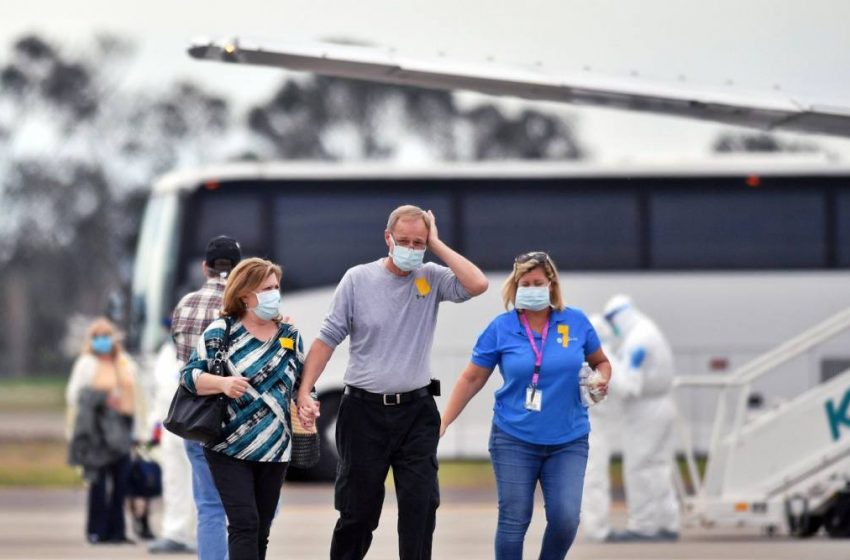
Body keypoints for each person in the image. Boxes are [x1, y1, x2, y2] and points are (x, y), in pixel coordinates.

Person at [297, 205, 488, 560]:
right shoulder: (357, 279)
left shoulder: (431, 276)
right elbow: (327, 339)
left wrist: (437, 244)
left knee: (420, 509)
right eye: (404, 241)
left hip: (416, 412)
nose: (411, 248)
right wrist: (305, 389)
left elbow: (478, 284)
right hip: (363, 413)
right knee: (358, 513)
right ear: (388, 239)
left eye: (418, 242)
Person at [440, 251, 612, 560]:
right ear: (515, 286)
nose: (532, 289)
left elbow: (601, 361)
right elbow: (471, 378)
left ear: (551, 284)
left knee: (566, 518)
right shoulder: (502, 328)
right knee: (514, 520)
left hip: (568, 439)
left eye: (538, 283)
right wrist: (444, 421)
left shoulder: (575, 321)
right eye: (525, 283)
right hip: (513, 438)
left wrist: (601, 379)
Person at [181, 257, 305, 560]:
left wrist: (308, 402)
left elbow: (302, 384)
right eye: (266, 289)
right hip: (228, 445)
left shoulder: (289, 336)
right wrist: (223, 384)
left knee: (261, 528)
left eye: (276, 287)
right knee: (244, 524)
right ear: (244, 294)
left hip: (275, 448)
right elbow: (189, 376)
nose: (274, 294)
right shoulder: (220, 331)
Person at [171, 234, 242, 560]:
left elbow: (181, 359)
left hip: (195, 414)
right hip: (238, 415)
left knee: (209, 505)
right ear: (240, 267)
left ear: (205, 268)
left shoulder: (185, 305)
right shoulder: (243, 306)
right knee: (245, 507)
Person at [603, 294, 679, 542]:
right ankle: (668, 523)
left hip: (646, 409)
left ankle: (643, 526)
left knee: (638, 467)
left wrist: (608, 363)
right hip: (662, 404)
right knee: (658, 466)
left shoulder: (638, 338)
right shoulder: (647, 330)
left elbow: (629, 387)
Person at [66, 317, 142, 545]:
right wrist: (103, 398)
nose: (102, 341)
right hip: (97, 432)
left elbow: (137, 395)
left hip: (122, 430)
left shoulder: (124, 363)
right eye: (97, 337)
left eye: (106, 336)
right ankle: (96, 530)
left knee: (120, 484)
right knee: (98, 485)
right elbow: (74, 396)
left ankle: (117, 531)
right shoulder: (86, 364)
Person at [147, 338, 197, 554]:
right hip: (170, 430)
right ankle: (174, 533)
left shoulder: (205, 345)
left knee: (199, 485)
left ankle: (197, 535)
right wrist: (154, 425)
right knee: (174, 483)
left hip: (195, 428)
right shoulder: (167, 351)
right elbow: (158, 392)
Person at [581, 313, 622, 542]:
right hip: (594, 425)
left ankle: (597, 526)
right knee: (595, 477)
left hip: (593, 424)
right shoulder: (598, 357)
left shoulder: (581, 354)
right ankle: (598, 529)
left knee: (594, 476)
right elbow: (625, 386)